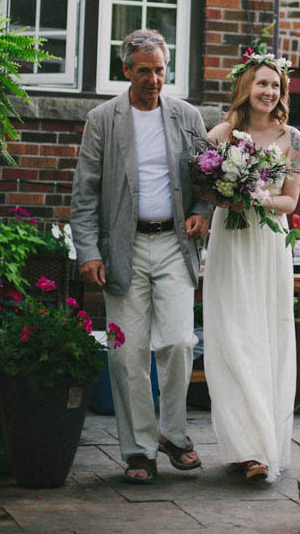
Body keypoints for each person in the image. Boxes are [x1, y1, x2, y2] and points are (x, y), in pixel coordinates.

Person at [70, 29, 210, 484]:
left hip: (173, 244)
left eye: (160, 70)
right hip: (122, 248)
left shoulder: (187, 117)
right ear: (126, 71)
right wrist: (88, 250)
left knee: (178, 342)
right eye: (144, 70)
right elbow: (85, 191)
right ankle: (138, 451)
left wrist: (201, 212)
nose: (153, 79)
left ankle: (172, 434)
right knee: (127, 354)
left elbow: (208, 179)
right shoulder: (103, 119)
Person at [203, 51, 300, 482]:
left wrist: (259, 198)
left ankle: (266, 445)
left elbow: (291, 200)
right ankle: (244, 447)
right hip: (231, 239)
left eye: (275, 86)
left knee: (269, 333)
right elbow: (203, 185)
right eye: (262, 83)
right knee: (235, 335)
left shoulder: (291, 138)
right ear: (246, 87)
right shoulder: (224, 132)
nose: (269, 92)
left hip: (268, 241)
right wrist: (229, 196)